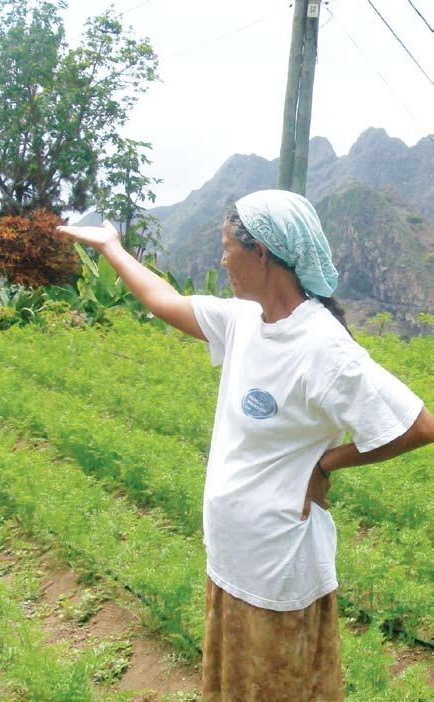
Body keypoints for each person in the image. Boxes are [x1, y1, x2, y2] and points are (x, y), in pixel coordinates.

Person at [57, 189, 434, 702]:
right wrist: (111, 248)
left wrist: (328, 462)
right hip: (232, 563)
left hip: (278, 573)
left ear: (261, 253)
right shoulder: (244, 320)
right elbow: (163, 299)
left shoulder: (323, 347)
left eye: (227, 246)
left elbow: (418, 425)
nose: (221, 258)